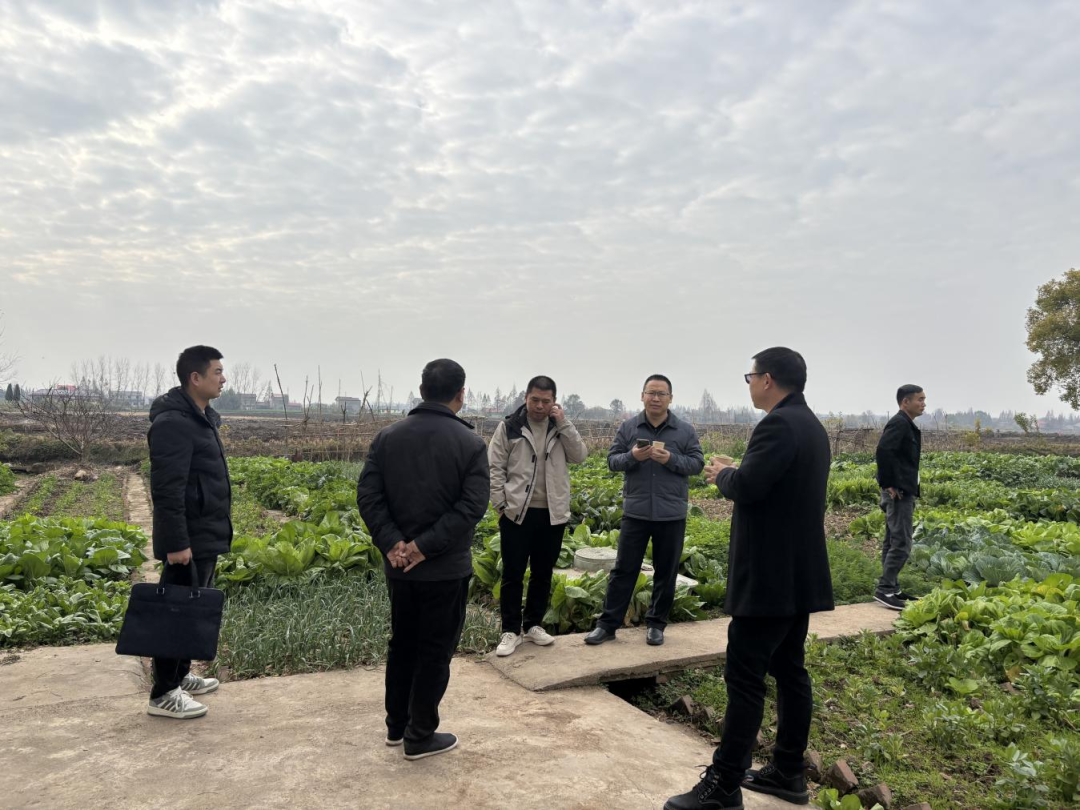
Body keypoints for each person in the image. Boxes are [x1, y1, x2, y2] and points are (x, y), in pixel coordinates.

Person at [666, 347, 833, 810]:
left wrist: (724, 474)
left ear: (768, 379)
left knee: (744, 675)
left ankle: (724, 783)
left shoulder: (777, 425)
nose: (750, 384)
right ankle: (788, 771)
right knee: (790, 670)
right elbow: (774, 485)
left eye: (751, 376)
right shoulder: (811, 425)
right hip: (797, 575)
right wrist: (738, 470)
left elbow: (749, 487)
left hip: (769, 578)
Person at [357, 358, 489, 761]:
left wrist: (394, 543)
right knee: (434, 650)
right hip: (444, 570)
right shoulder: (470, 444)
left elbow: (369, 497)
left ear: (421, 391)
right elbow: (471, 507)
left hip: (399, 568)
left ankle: (396, 726)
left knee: (402, 644)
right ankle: (420, 735)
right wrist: (425, 547)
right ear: (461, 394)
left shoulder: (387, 437)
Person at [585, 374, 703, 648]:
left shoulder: (684, 431)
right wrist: (632, 457)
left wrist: (671, 459)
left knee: (666, 572)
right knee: (623, 570)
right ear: (642, 396)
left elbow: (697, 463)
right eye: (651, 393)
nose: (656, 398)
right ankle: (607, 625)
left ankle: (656, 625)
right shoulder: (629, 427)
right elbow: (612, 461)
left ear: (670, 398)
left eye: (661, 394)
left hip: (671, 513)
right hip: (636, 512)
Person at [145, 346, 231, 720]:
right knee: (175, 614)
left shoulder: (200, 418)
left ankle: (179, 676)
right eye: (217, 372)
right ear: (195, 378)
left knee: (190, 610)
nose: (223, 378)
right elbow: (168, 490)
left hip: (204, 533)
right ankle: (164, 693)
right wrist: (177, 543)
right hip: (189, 539)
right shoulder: (174, 424)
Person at [488, 376, 589, 657]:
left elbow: (580, 455)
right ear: (526, 398)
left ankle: (533, 624)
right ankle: (510, 630)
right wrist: (500, 505)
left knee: (543, 573)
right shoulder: (510, 427)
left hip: (552, 514)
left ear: (554, 401)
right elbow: (494, 467)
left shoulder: (560, 427)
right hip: (516, 513)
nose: (540, 406)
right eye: (535, 400)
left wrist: (564, 423)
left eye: (546, 401)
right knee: (513, 573)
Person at [873, 384, 925, 610]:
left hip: (902, 489)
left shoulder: (905, 423)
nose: (923, 404)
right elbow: (883, 451)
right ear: (905, 402)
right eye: (919, 399)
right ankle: (885, 589)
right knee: (902, 541)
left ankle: (892, 588)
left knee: (892, 540)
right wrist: (889, 484)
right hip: (898, 492)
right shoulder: (900, 423)